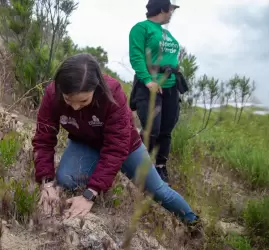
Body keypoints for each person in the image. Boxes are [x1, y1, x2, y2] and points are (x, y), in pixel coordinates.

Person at [32, 53, 202, 235]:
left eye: (83, 101)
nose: (74, 107)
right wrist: (47, 183)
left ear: (96, 88)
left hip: (126, 147)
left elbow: (116, 147)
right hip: (85, 143)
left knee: (158, 190)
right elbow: (44, 139)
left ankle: (194, 222)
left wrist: (90, 194)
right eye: (68, 100)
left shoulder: (112, 93)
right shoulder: (52, 94)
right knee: (66, 179)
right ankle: (101, 178)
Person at [128, 0, 189, 183]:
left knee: (166, 130)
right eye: (171, 9)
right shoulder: (141, 28)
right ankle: (139, 166)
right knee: (151, 129)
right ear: (163, 9)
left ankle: (160, 167)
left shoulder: (167, 34)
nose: (172, 13)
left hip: (171, 86)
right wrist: (147, 81)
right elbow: (136, 56)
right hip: (150, 87)